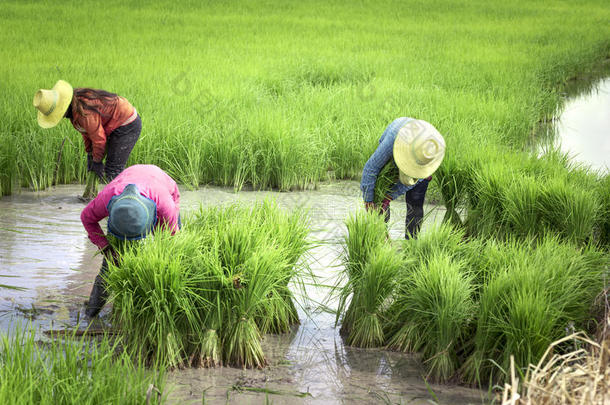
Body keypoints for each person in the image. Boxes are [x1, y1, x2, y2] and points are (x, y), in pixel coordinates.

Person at [80, 164, 181, 317]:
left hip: (159, 186)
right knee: (111, 265)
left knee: (164, 262)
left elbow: (173, 242)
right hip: (127, 186)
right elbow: (86, 218)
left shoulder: (165, 206)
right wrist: (106, 248)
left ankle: (146, 312)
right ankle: (91, 315)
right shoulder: (108, 197)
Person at [33, 80, 141, 182]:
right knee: (110, 171)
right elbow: (87, 132)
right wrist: (90, 153)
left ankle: (124, 198)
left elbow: (99, 138)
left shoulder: (84, 111)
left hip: (127, 124)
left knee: (113, 171)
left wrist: (97, 161)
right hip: (113, 124)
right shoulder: (74, 107)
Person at [361, 117, 445, 239]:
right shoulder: (393, 140)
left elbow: (413, 181)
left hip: (421, 157)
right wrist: (369, 201)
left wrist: (389, 196)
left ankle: (411, 242)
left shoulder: (431, 151)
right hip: (398, 145)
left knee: (415, 202)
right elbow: (370, 168)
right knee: (380, 194)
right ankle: (381, 235)